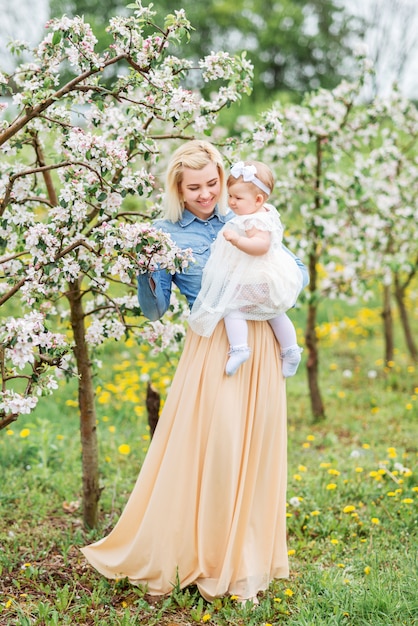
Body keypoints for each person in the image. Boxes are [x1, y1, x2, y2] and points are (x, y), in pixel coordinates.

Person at [81, 140, 309, 605]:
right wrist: (146, 269)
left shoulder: (246, 215)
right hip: (212, 351)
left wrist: (270, 285)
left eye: (212, 184)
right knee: (220, 449)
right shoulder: (164, 234)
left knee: (255, 451)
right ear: (178, 190)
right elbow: (155, 309)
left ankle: (243, 559)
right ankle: (201, 554)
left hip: (261, 344)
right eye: (194, 188)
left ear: (224, 179)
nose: (206, 195)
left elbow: (295, 269)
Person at [189, 160, 303, 377]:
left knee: (232, 308)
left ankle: (239, 348)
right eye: (230, 196)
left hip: (257, 277)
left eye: (238, 198)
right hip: (265, 277)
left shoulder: (253, 220)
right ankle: (291, 350)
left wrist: (236, 240)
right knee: (277, 314)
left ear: (258, 200)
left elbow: (261, 246)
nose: (231, 202)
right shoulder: (265, 211)